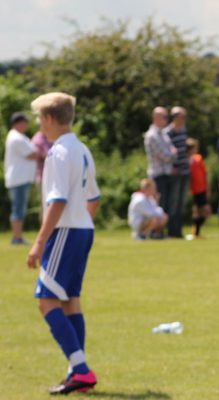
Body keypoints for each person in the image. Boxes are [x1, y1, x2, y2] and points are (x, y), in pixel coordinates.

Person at [26, 92, 100, 395]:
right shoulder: (82, 149)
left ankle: (81, 369)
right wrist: (82, 221)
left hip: (66, 230)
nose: (39, 125)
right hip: (82, 228)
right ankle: (76, 371)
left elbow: (57, 200)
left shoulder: (57, 152)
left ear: (49, 118)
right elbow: (93, 198)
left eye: (39, 119)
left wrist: (40, 242)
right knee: (70, 300)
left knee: (46, 300)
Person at [4, 111, 37, 245]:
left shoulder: (19, 136)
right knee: (18, 208)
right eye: (24, 122)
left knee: (19, 208)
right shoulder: (16, 137)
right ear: (17, 124)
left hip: (21, 178)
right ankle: (17, 238)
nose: (27, 125)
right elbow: (31, 154)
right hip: (19, 178)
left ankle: (18, 236)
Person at [143, 106, 176, 236]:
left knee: (166, 206)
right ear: (156, 118)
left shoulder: (163, 134)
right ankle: (155, 232)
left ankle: (162, 231)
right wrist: (170, 154)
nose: (166, 120)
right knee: (158, 206)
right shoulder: (152, 135)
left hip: (166, 173)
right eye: (164, 117)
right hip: (157, 175)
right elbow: (165, 155)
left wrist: (170, 154)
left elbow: (172, 152)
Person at [164, 106, 190, 238]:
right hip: (175, 172)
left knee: (181, 203)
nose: (184, 120)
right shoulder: (167, 133)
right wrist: (172, 167)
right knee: (173, 203)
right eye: (182, 117)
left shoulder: (183, 131)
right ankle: (172, 231)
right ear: (175, 118)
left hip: (185, 170)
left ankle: (178, 231)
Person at [186, 138, 211, 239]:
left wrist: (208, 188)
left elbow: (205, 174)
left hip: (202, 188)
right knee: (198, 210)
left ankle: (196, 230)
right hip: (194, 189)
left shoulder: (198, 158)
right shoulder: (186, 160)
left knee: (204, 210)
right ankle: (196, 231)